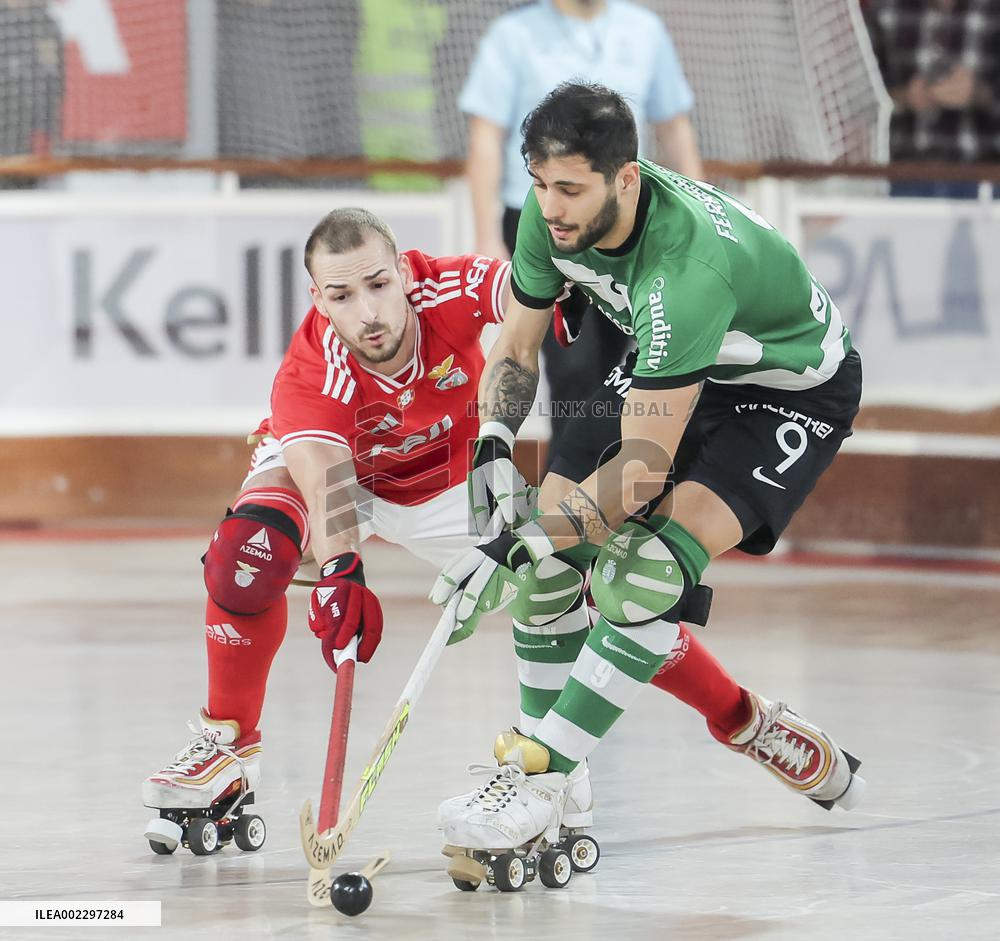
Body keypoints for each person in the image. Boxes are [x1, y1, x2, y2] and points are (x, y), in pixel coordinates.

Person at [433, 82, 867, 856]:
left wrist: (519, 537)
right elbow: (517, 345)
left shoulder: (685, 272)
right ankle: (555, 782)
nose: (551, 207)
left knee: (638, 576)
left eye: (570, 189)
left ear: (625, 180)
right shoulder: (548, 210)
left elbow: (637, 472)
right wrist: (492, 445)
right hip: (674, 367)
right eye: (539, 185)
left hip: (781, 394)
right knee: (550, 568)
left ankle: (544, 772)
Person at [460, 0, 703, 458]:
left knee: (629, 365)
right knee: (572, 367)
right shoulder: (513, 35)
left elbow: (674, 126)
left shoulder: (644, 30)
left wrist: (702, 215)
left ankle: (615, 497)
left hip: (627, 224)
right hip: (542, 222)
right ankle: (565, 498)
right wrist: (486, 235)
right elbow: (485, 137)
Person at [864, 0, 1000, 199]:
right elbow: (856, 99)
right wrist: (904, 98)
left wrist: (979, 94)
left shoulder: (994, 12)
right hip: (904, 175)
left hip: (986, 176)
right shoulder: (884, 11)